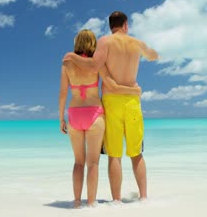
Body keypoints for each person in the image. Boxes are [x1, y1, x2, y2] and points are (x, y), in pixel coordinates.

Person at [63, 11, 159, 201]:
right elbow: (153, 55)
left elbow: (92, 66)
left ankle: (116, 201)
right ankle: (144, 198)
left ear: (111, 26)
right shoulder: (137, 43)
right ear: (126, 25)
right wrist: (151, 53)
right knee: (136, 153)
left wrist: (71, 57)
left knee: (114, 154)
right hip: (132, 102)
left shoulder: (105, 42)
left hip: (111, 102)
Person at [59, 29, 141, 208]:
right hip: (94, 113)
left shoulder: (67, 64)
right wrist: (132, 91)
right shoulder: (97, 64)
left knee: (78, 162)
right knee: (93, 163)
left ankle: (76, 202)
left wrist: (60, 119)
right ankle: (91, 204)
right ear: (92, 44)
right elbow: (111, 84)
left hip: (74, 114)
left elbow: (62, 94)